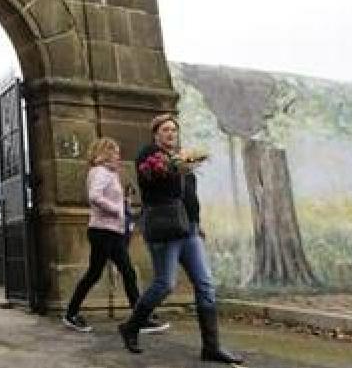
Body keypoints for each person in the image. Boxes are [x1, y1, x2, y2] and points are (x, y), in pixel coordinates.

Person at [119, 114, 244, 365]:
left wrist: (198, 224)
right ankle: (131, 326)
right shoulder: (149, 156)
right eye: (165, 130)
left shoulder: (183, 160)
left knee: (205, 283)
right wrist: (179, 165)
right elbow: (155, 175)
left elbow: (189, 198)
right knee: (165, 284)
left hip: (188, 230)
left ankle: (211, 347)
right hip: (165, 228)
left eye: (174, 130)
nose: (170, 134)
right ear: (155, 134)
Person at [61, 137, 168, 334]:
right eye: (116, 152)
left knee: (121, 273)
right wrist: (116, 211)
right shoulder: (101, 172)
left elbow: (107, 197)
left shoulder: (108, 173)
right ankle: (72, 314)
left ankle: (137, 317)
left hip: (110, 231)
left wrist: (124, 206)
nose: (119, 156)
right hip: (104, 231)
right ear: (105, 152)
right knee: (106, 273)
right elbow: (94, 196)